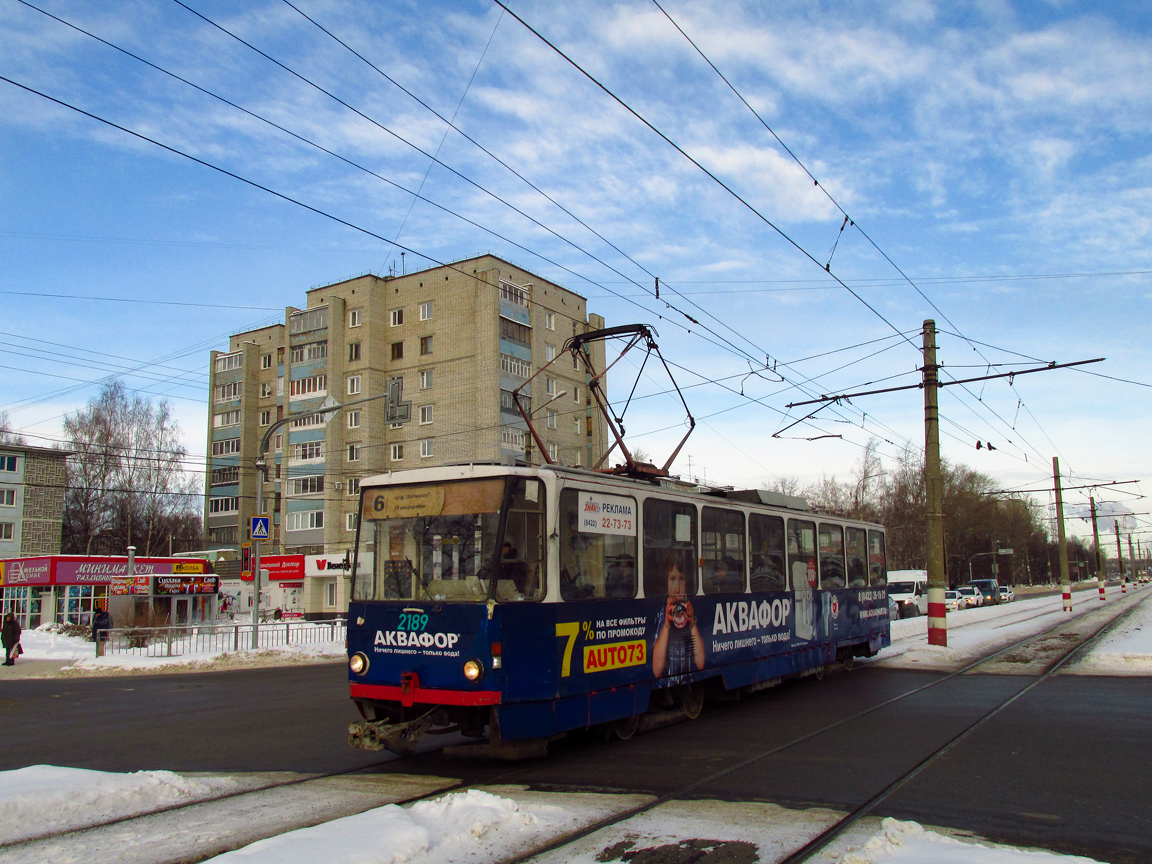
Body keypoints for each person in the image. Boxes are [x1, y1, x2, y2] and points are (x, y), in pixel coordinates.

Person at [651, 550, 705, 677]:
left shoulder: (691, 612)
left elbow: (701, 663)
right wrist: (666, 627)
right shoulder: (662, 614)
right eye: (672, 579)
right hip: (667, 681)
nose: (677, 588)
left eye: (682, 579)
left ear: (687, 583)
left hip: (687, 680)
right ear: (666, 583)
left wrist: (692, 626)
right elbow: (657, 671)